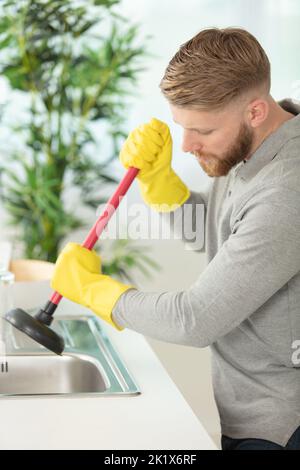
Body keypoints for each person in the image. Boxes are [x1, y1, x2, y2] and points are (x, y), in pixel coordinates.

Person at [51, 28, 300, 450]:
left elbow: (197, 319)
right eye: (181, 127)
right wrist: (162, 186)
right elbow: (225, 237)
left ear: (256, 111)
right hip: (249, 410)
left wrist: (98, 293)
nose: (186, 145)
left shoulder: (287, 189)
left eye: (201, 130)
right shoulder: (254, 148)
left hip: (281, 425)